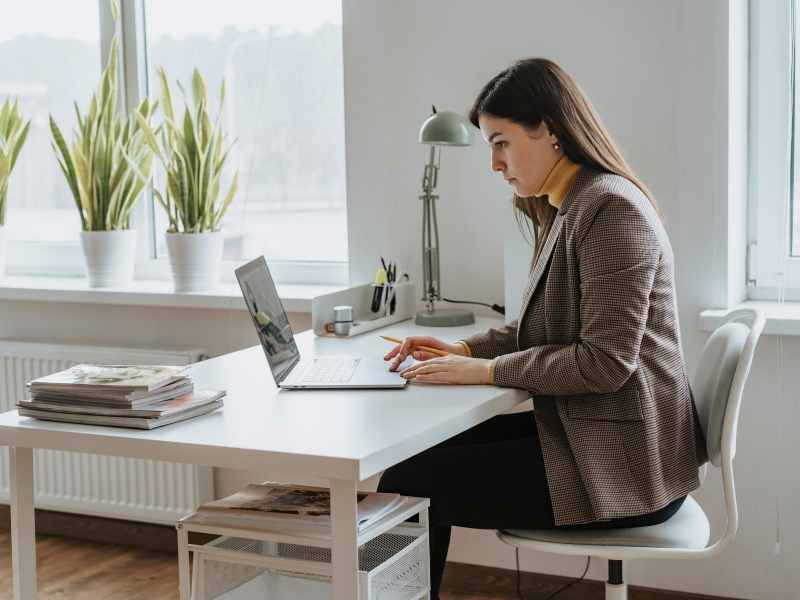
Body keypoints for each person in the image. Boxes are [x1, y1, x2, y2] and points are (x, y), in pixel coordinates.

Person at [380, 58, 707, 600]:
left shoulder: (610, 210)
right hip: (596, 435)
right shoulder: (568, 207)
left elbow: (602, 362)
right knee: (412, 464)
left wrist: (486, 370)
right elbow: (543, 326)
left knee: (409, 484)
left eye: (502, 142)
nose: (494, 163)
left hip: (625, 464)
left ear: (550, 131)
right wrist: (461, 347)